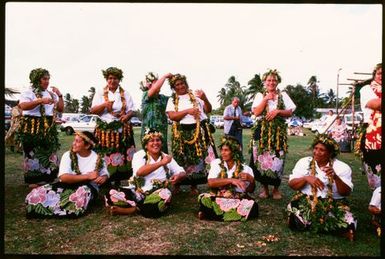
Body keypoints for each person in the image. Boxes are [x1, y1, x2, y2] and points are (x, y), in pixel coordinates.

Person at [287, 134, 357, 241]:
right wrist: (306, 178)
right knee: (295, 208)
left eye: (322, 150)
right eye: (315, 148)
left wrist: (336, 178)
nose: (316, 152)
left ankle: (310, 224)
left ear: (330, 153)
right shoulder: (304, 162)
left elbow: (345, 193)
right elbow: (292, 184)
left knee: (348, 218)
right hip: (307, 201)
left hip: (333, 203)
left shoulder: (342, 167)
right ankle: (336, 229)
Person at [25, 131, 109, 218]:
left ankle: (65, 209)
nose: (73, 144)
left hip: (87, 187)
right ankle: (60, 208)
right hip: (66, 185)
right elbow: (64, 178)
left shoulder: (97, 158)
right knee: (37, 193)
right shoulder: (68, 155)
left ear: (87, 146)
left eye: (77, 141)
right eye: (74, 140)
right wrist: (88, 176)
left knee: (81, 192)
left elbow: (104, 173)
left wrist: (104, 177)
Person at [104, 129, 186, 218]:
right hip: (136, 189)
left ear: (161, 143)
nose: (155, 143)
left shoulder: (166, 157)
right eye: (151, 141)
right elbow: (140, 172)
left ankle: (132, 209)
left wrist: (179, 176)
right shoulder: (139, 155)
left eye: (158, 140)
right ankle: (139, 206)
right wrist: (161, 163)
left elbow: (181, 171)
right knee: (111, 192)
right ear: (146, 145)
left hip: (156, 192)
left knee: (166, 194)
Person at [166, 74, 217, 195]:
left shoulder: (194, 97)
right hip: (180, 131)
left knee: (196, 158)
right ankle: (177, 184)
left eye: (182, 83)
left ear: (186, 83)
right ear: (174, 87)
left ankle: (194, 185)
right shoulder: (172, 99)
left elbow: (208, 109)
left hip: (197, 130)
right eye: (177, 84)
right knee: (180, 157)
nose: (180, 86)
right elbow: (172, 116)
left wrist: (204, 98)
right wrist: (188, 111)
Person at [250, 69, 296, 200]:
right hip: (262, 131)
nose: (271, 82)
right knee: (261, 158)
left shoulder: (283, 95)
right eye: (269, 80)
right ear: (264, 82)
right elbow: (256, 113)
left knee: (278, 159)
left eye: (274, 80)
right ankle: (264, 189)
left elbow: (290, 112)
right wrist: (265, 99)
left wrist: (277, 111)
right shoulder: (260, 95)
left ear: (278, 82)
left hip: (277, 132)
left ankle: (276, 189)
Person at [17, 68, 64, 186]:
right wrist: (39, 101)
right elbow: (22, 106)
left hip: (48, 127)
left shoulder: (50, 93)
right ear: (36, 79)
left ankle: (49, 178)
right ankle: (34, 180)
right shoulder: (28, 92)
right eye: (44, 79)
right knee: (33, 152)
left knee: (49, 152)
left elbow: (60, 109)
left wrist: (60, 95)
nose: (47, 81)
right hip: (32, 125)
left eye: (48, 79)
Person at [90, 67, 136, 187]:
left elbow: (132, 110)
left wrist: (127, 116)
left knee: (121, 153)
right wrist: (105, 104)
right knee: (104, 154)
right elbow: (93, 110)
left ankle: (118, 180)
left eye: (115, 78)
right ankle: (104, 179)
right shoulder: (100, 92)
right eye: (110, 78)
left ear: (119, 80)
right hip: (104, 131)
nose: (112, 81)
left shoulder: (125, 93)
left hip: (122, 130)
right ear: (106, 79)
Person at [197, 136, 258, 221]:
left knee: (253, 205)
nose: (222, 153)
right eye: (222, 150)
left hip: (236, 198)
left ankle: (210, 214)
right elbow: (211, 183)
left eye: (226, 150)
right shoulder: (216, 163)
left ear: (234, 152)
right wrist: (232, 180)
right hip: (218, 197)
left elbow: (250, 190)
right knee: (203, 198)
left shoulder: (246, 169)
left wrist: (251, 180)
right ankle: (232, 215)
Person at [358, 63, 382, 191]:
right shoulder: (366, 89)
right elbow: (377, 104)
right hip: (373, 137)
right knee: (376, 175)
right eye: (379, 73)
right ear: (374, 75)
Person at [140, 72, 173, 153]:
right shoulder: (145, 95)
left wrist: (173, 82)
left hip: (161, 133)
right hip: (148, 133)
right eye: (155, 82)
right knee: (149, 156)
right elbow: (154, 89)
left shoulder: (163, 98)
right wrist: (165, 76)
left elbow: (176, 98)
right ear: (149, 85)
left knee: (162, 155)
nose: (159, 84)